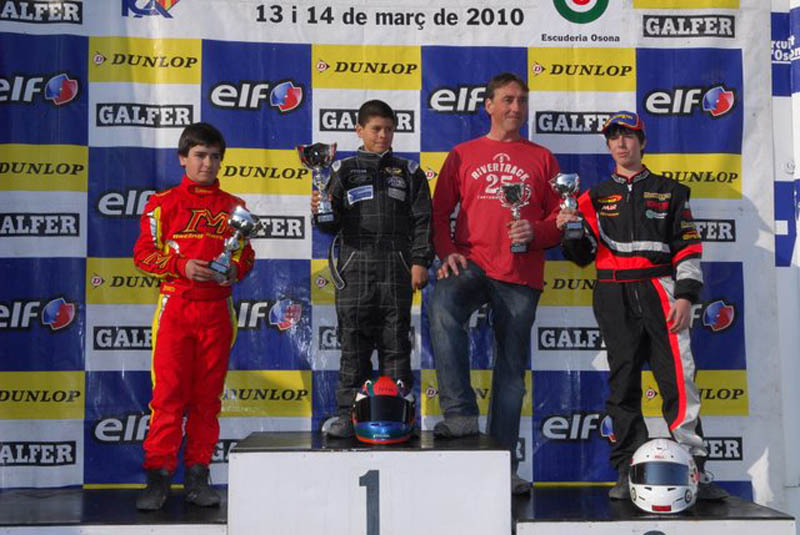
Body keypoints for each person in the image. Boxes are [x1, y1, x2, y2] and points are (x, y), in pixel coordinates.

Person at [556, 111, 728, 501]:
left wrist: (685, 295)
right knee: (623, 383)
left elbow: (687, 248)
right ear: (608, 146)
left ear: (643, 142)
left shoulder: (671, 191)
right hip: (612, 292)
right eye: (614, 137)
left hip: (661, 289)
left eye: (629, 136)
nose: (621, 143)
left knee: (678, 380)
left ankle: (694, 467)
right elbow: (581, 257)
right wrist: (570, 230)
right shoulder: (592, 197)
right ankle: (627, 469)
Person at [428, 72, 562, 495]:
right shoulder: (462, 154)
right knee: (442, 305)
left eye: (521, 100)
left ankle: (503, 467)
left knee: (511, 373)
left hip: (520, 273)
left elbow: (560, 220)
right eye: (507, 99)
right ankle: (460, 414)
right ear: (488, 105)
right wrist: (447, 251)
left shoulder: (543, 158)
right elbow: (439, 213)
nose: (516, 107)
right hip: (471, 264)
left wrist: (536, 232)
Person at [132, 122, 255, 510]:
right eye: (200, 155)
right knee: (168, 396)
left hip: (218, 310)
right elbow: (143, 255)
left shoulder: (235, 207)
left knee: (206, 399)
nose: (208, 163)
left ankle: (198, 476)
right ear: (183, 158)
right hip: (176, 307)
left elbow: (245, 255)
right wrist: (181, 265)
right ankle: (158, 477)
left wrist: (235, 269)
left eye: (215, 157)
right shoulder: (162, 203)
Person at [311, 99, 433, 438]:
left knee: (396, 346)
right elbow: (328, 224)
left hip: (397, 267)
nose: (383, 136)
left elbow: (423, 220)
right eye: (376, 129)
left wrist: (420, 261)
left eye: (389, 129)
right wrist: (320, 208)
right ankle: (346, 417)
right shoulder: (342, 170)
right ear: (359, 130)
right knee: (353, 346)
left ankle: (400, 418)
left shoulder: (409, 171)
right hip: (354, 267)